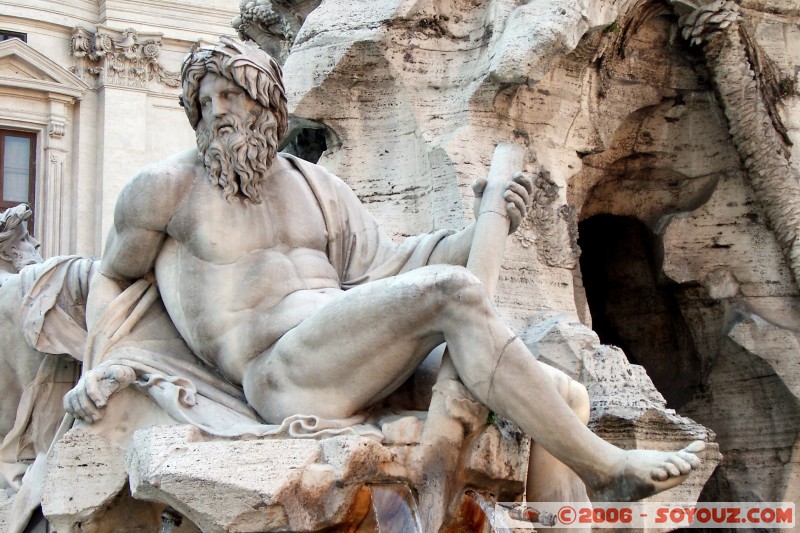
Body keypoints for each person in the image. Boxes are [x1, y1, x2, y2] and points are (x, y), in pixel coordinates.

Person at [64, 37, 703, 502]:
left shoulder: (316, 187)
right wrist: (108, 366)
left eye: (234, 95)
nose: (220, 111)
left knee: (560, 392)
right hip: (279, 374)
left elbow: (395, 266)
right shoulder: (165, 189)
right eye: (206, 101)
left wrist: (486, 224)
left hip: (355, 356)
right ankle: (604, 465)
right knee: (451, 294)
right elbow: (115, 276)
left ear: (268, 108)